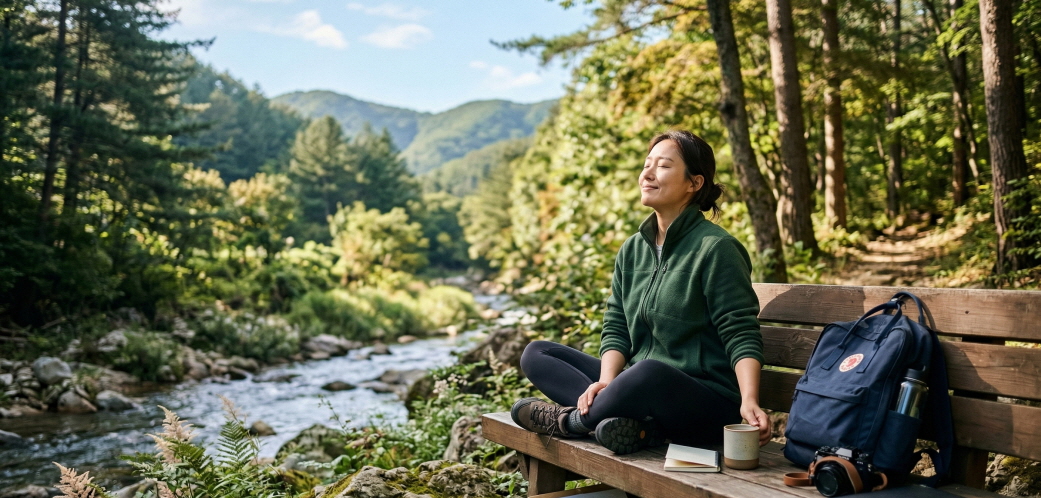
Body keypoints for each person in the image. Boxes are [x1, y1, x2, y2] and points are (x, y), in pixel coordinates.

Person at [510, 130, 771, 455]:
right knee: (537, 353)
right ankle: (637, 426)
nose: (646, 174)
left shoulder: (716, 249)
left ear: (694, 183)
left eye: (662, 166)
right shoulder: (633, 249)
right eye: (646, 164)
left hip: (705, 400)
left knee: (648, 372)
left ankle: (571, 423)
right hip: (639, 385)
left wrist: (749, 400)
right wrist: (607, 382)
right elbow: (617, 324)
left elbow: (740, 331)